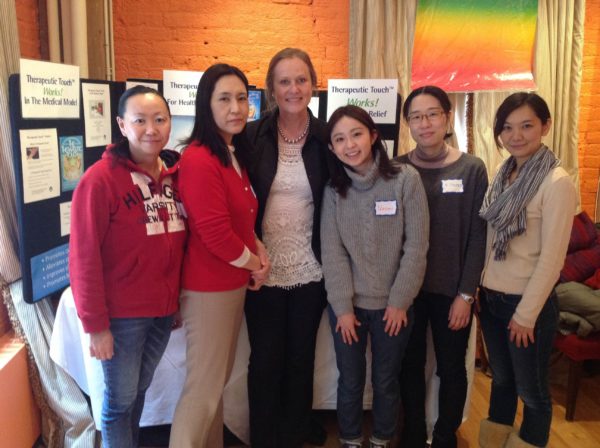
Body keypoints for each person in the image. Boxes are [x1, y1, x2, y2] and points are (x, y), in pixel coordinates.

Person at [69, 85, 187, 448]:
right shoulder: (98, 181)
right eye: (140, 120)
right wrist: (96, 326)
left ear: (170, 124)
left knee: (137, 393)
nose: (151, 129)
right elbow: (82, 257)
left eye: (159, 120)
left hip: (162, 311)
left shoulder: (174, 177)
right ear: (121, 125)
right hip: (122, 317)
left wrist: (175, 302)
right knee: (119, 404)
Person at [169, 63, 270, 448]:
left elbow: (243, 221)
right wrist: (254, 263)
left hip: (231, 286)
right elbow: (214, 234)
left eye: (242, 98)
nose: (236, 108)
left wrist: (260, 255)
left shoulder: (232, 153)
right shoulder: (198, 158)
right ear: (205, 105)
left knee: (216, 388)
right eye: (224, 99)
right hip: (208, 290)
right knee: (203, 391)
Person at [322, 105, 429, 448]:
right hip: (349, 308)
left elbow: (416, 247)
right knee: (350, 380)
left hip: (393, 309)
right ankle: (350, 440)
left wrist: (399, 302)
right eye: (339, 139)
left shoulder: (405, 179)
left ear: (372, 135)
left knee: (385, 380)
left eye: (356, 134)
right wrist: (342, 308)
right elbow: (333, 252)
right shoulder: (333, 190)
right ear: (331, 148)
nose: (349, 145)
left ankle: (382, 440)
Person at [478, 92, 577, 448]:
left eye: (526, 126)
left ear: (545, 126)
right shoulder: (504, 174)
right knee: (501, 382)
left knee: (532, 392)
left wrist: (526, 315)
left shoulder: (556, 182)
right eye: (507, 127)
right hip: (491, 300)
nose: (515, 135)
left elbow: (552, 259)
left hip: (525, 306)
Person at [244, 47, 329, 447]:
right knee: (264, 362)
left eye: (301, 79)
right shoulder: (252, 136)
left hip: (313, 269)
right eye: (284, 81)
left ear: (313, 84)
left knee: (300, 361)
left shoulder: (328, 137)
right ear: (271, 89)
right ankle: (264, 437)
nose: (293, 88)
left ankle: (294, 436)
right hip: (262, 269)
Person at [397, 85, 488, 448]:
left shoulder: (472, 169)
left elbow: (479, 237)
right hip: (409, 291)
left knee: (451, 368)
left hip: (453, 291)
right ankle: (414, 433)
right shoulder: (398, 168)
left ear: (447, 118)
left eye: (432, 114)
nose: (425, 123)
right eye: (416, 117)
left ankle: (446, 433)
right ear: (408, 124)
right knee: (409, 365)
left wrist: (467, 294)